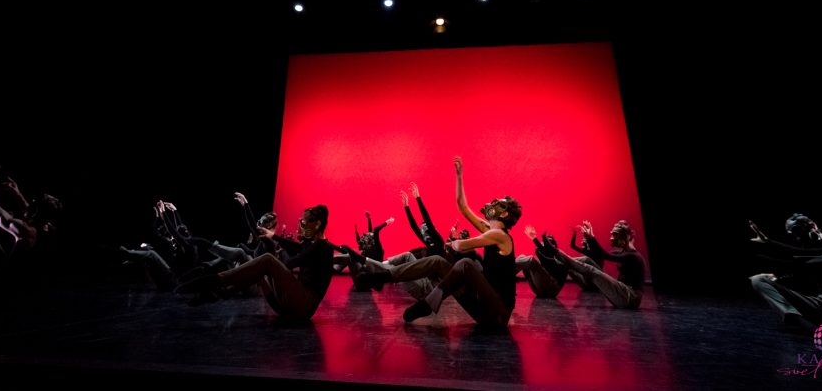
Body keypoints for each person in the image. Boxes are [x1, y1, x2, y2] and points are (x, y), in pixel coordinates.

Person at [366, 156, 522, 328]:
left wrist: (454, 243)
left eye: (499, 204)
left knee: (465, 264)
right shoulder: (490, 231)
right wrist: (459, 176)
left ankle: (427, 304)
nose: (493, 203)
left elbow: (462, 245)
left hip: (498, 315)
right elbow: (463, 206)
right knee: (438, 261)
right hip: (482, 308)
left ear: (504, 214)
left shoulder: (501, 236)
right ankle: (384, 277)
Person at [206, 204, 334, 321]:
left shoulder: (322, 247)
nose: (302, 225)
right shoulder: (314, 245)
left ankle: (217, 280)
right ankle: (222, 293)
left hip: (302, 308)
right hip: (289, 307)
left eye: (304, 222)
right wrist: (272, 236)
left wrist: (278, 248)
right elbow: (296, 247)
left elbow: (289, 263)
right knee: (259, 271)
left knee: (268, 259)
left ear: (317, 224)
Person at [550, 220, 645, 309]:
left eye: (615, 234)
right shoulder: (624, 253)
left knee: (591, 270)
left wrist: (591, 237)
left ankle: (556, 253)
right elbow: (598, 254)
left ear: (626, 237)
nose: (611, 238)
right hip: (623, 294)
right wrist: (589, 238)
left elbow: (604, 255)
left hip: (630, 298)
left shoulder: (633, 256)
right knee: (587, 260)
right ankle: (557, 261)